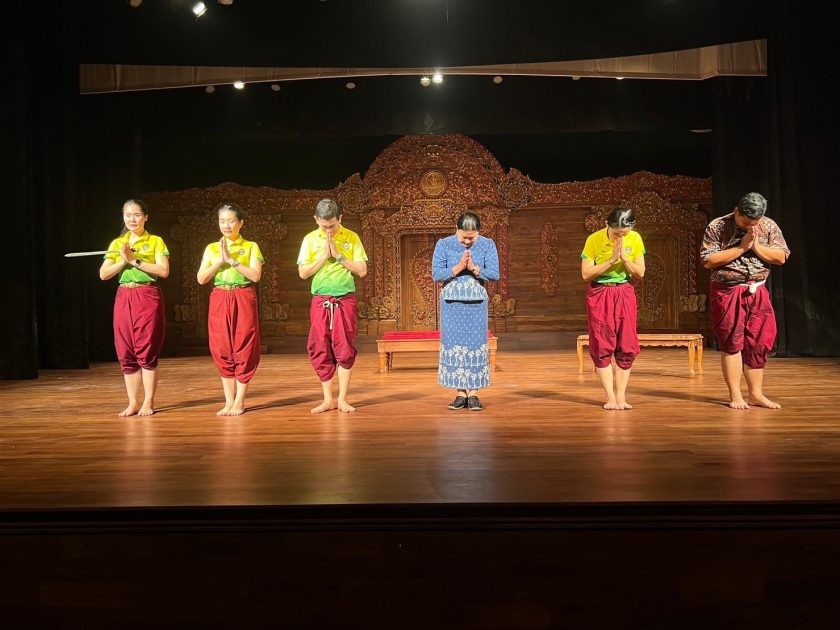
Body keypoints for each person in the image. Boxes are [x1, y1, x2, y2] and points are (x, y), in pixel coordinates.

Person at [700, 192, 790, 409]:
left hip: (757, 290)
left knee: (758, 342)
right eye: (745, 222)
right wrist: (741, 247)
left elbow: (781, 257)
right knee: (732, 342)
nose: (750, 226)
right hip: (727, 290)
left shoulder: (768, 225)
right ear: (736, 211)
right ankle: (735, 395)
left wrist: (755, 246)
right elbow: (708, 260)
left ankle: (756, 394)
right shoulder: (718, 226)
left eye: (754, 223)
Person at [99, 199, 170, 417]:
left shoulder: (156, 241)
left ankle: (148, 401)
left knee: (146, 347)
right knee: (125, 347)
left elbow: (163, 271)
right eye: (128, 215)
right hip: (124, 295)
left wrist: (135, 261)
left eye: (137, 215)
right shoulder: (117, 243)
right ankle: (132, 402)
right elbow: (104, 274)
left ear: (146, 217)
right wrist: (123, 260)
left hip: (147, 294)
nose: (132, 219)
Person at [297, 198, 368, 413]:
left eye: (332, 225)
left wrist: (338, 256)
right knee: (320, 346)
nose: (328, 230)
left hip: (344, 299)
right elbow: (303, 273)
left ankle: (343, 398)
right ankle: (327, 399)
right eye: (323, 226)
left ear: (340, 218)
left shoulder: (351, 237)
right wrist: (324, 256)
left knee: (344, 346)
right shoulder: (309, 239)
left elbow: (362, 270)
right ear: (316, 220)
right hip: (321, 300)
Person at [197, 203, 264, 416]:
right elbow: (201, 279)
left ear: (241, 223)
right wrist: (219, 261)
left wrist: (232, 261)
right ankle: (228, 401)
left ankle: (239, 401)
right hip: (220, 296)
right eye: (222, 221)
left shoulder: (251, 246)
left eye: (231, 221)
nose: (226, 225)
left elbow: (255, 276)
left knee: (244, 344)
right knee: (221, 346)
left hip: (242, 295)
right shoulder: (211, 248)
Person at [431, 212, 500, 411]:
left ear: (478, 232)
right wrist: (459, 267)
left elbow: (494, 274)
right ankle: (460, 393)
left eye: (472, 238)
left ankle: (474, 393)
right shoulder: (444, 244)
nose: (468, 241)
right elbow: (436, 274)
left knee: (476, 345)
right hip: (451, 305)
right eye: (464, 237)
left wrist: (475, 268)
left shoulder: (487, 244)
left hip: (476, 304)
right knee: (455, 345)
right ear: (457, 230)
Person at [580, 207, 646, 410]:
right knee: (602, 341)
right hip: (600, 292)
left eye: (624, 233)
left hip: (624, 291)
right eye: (617, 233)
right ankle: (610, 397)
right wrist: (611, 260)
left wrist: (624, 259)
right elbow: (586, 274)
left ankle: (621, 396)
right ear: (607, 225)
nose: (620, 237)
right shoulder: (594, 240)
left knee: (626, 342)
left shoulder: (635, 238)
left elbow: (640, 273)